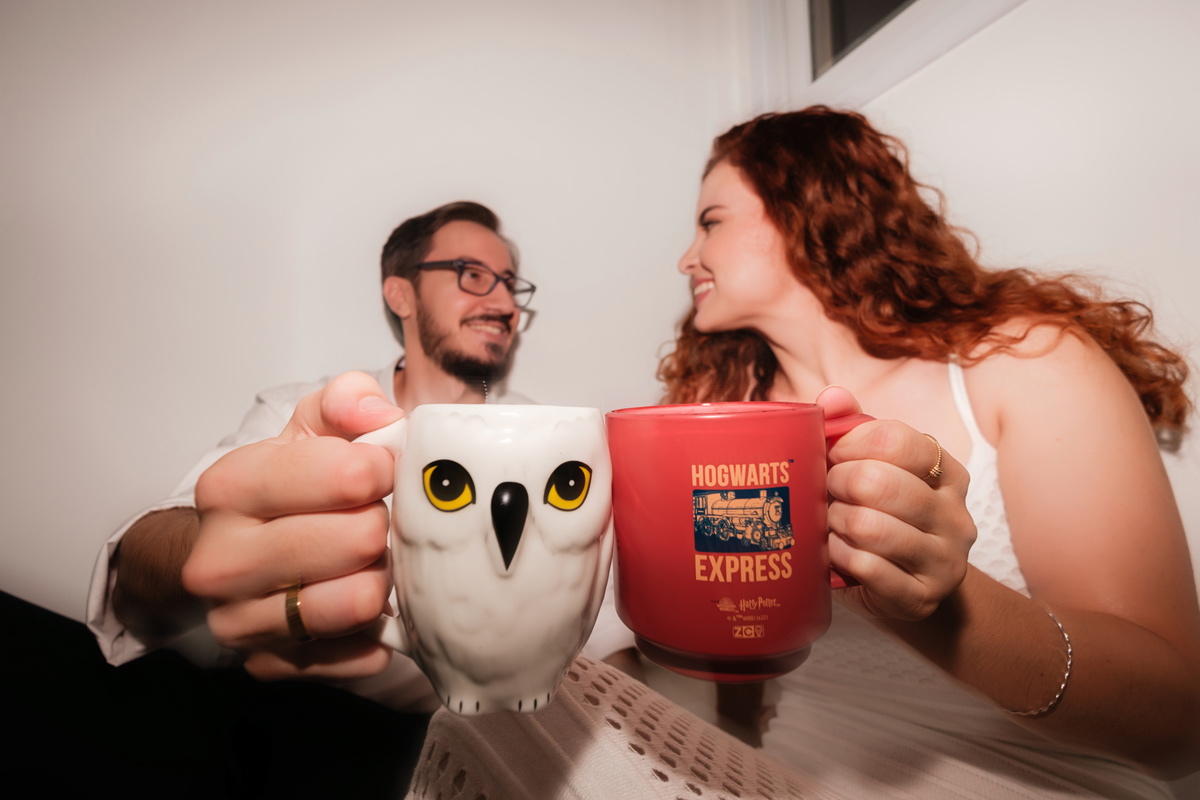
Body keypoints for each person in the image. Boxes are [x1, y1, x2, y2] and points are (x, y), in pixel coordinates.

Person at [651, 106, 1199, 796]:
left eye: (711, 222)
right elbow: (738, 662)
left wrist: (933, 599)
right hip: (788, 776)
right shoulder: (725, 415)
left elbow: (1180, 724)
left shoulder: (1023, 362)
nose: (686, 258)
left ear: (805, 207)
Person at [87, 200, 634, 710]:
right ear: (400, 294)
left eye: (511, 285)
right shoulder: (303, 415)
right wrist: (214, 550)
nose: (504, 304)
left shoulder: (558, 443)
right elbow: (137, 572)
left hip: (496, 733)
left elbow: (605, 631)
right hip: (307, 722)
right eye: (472, 275)